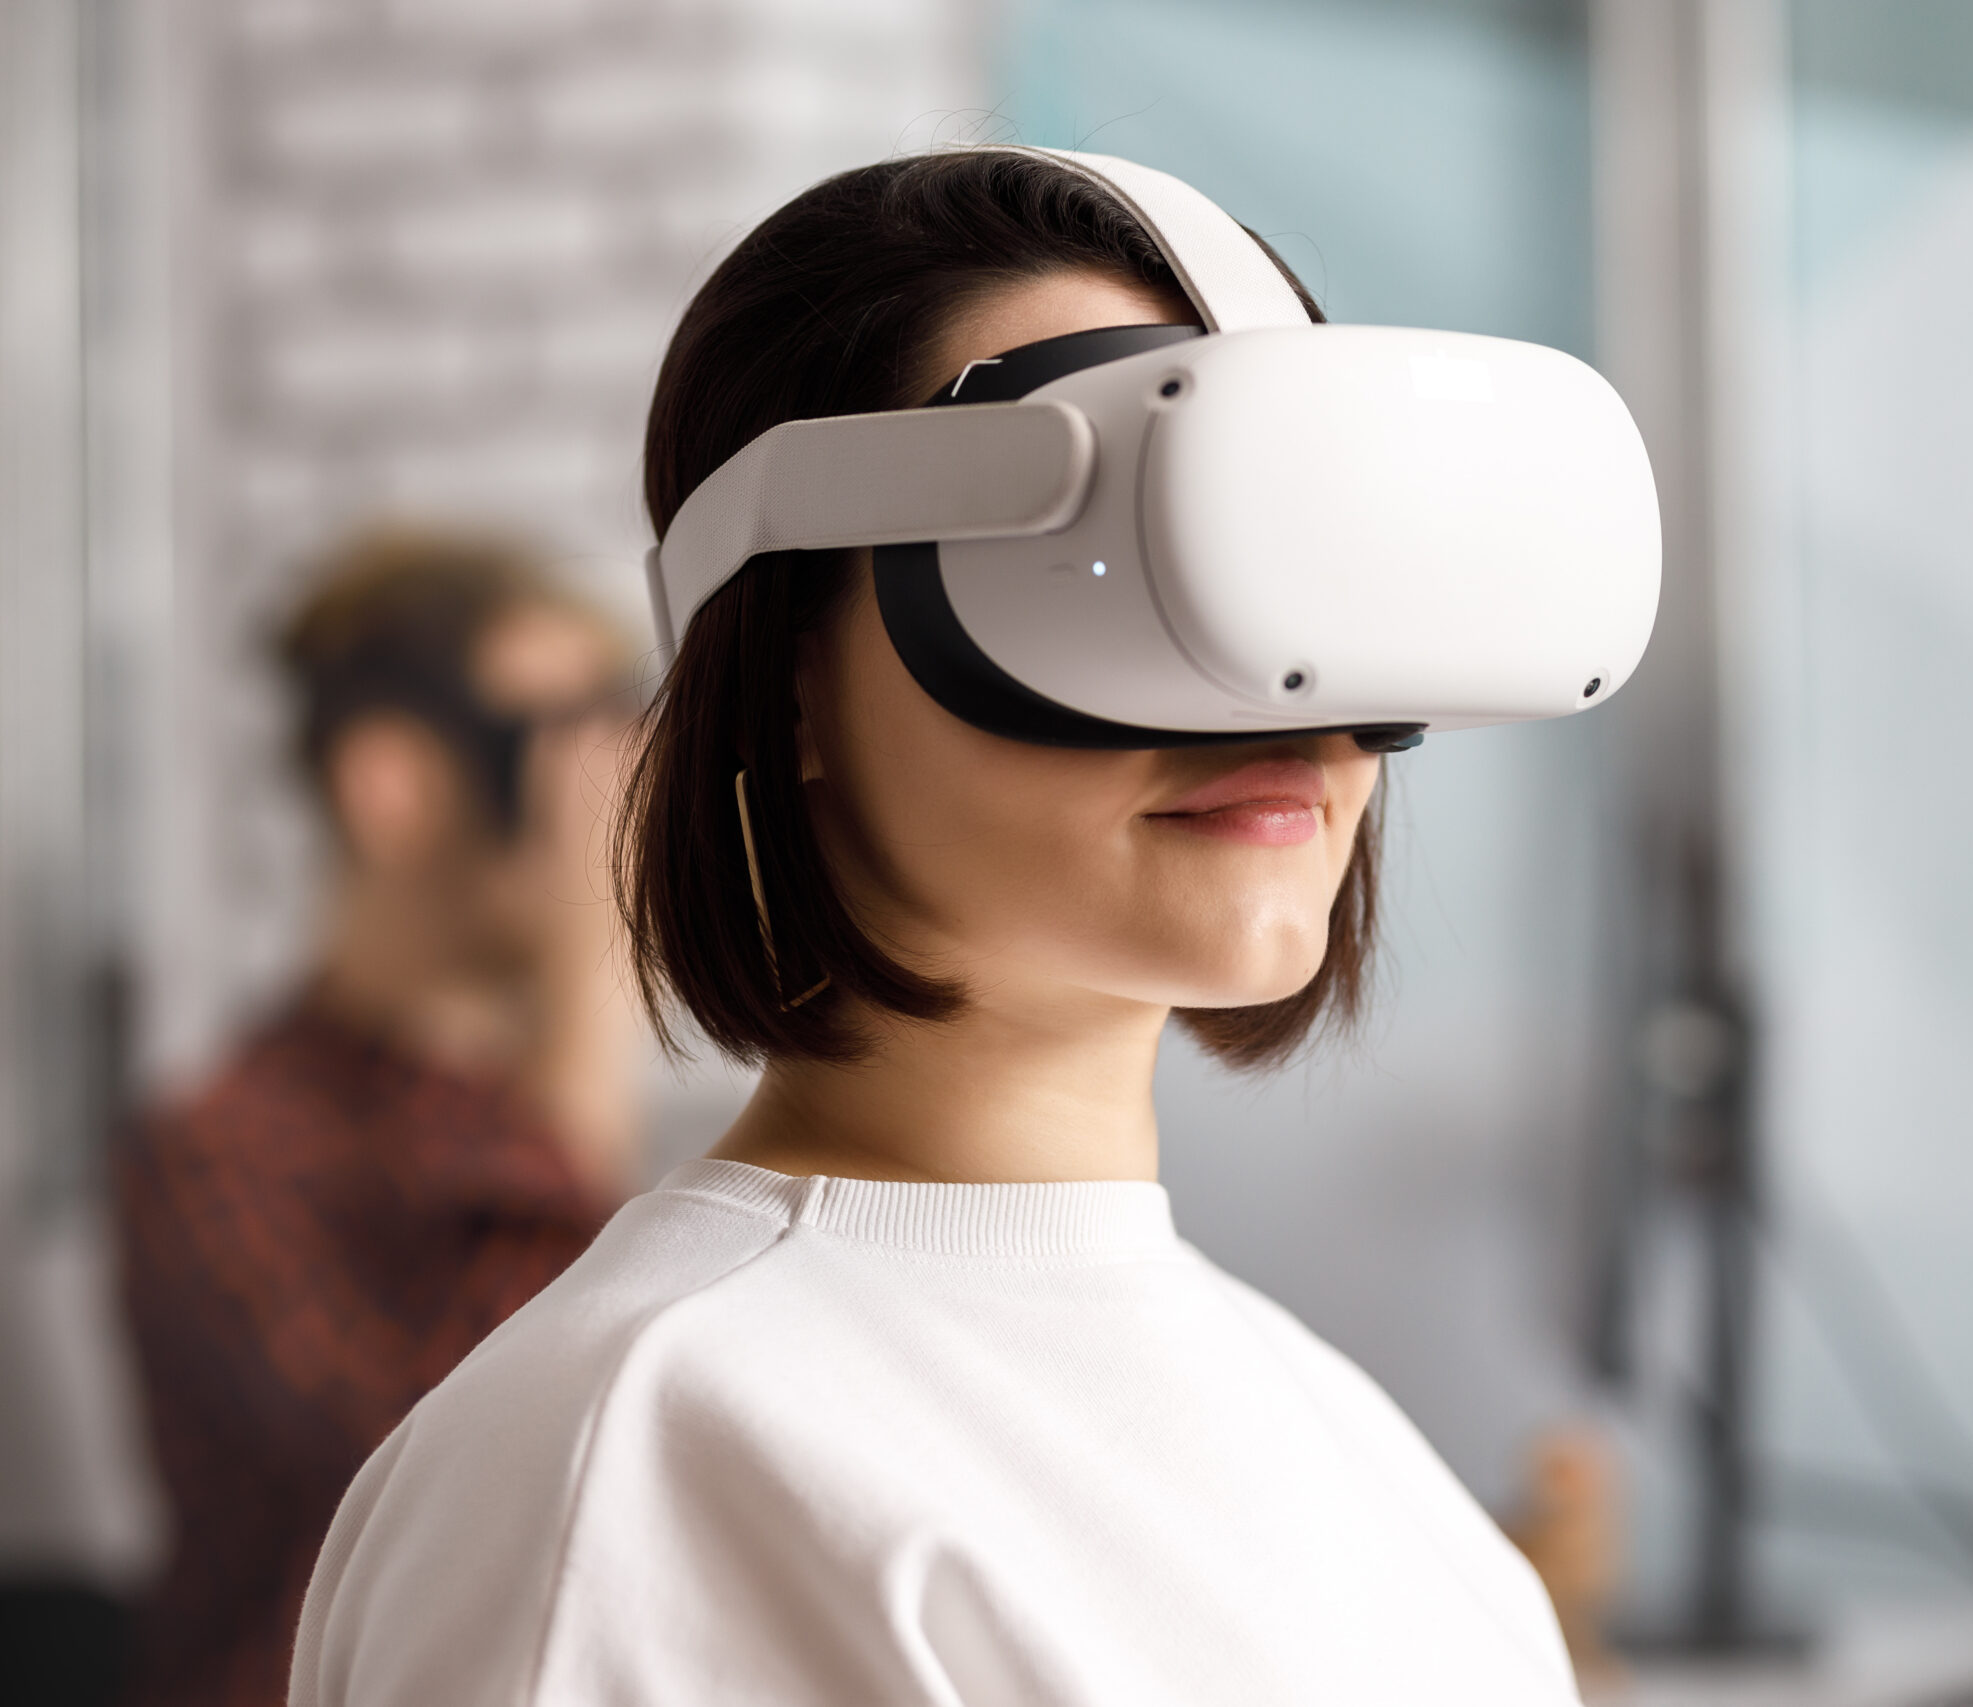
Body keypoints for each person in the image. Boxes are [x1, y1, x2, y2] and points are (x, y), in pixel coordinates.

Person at [289, 150, 1581, 1706]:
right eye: (1107, 561)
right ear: (786, 674)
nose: (1264, 687)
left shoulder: (1373, 1465)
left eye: (1298, 562)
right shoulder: (643, 1458)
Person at [113, 528, 642, 1707]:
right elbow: (483, 1470)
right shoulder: (222, 1143)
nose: (598, 815)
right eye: (557, 755)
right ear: (390, 787)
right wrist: (589, 985)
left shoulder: (523, 1114)